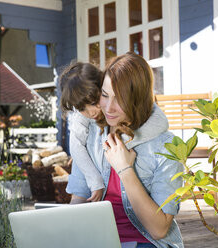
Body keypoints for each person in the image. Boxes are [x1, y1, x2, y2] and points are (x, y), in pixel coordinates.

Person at [66, 52, 184, 248]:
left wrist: (125, 170)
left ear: (137, 100)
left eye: (119, 99)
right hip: (97, 241)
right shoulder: (91, 134)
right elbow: (79, 198)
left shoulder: (167, 147)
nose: (109, 108)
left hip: (145, 241)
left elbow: (159, 229)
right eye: (104, 95)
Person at [60, 62, 169, 202]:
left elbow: (161, 121)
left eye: (94, 103)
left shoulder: (127, 109)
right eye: (81, 109)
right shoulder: (84, 122)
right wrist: (95, 182)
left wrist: (124, 142)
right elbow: (76, 147)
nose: (91, 112)